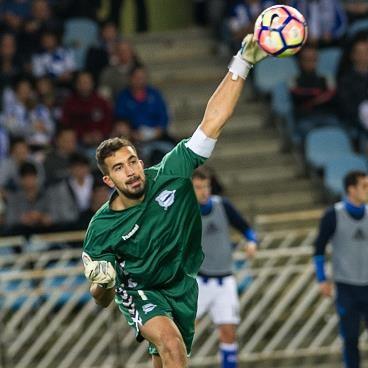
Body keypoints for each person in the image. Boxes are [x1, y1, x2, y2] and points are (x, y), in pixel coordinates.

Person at [81, 33, 267, 368]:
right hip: (140, 289)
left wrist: (243, 62)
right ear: (109, 180)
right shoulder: (102, 227)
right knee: (170, 343)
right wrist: (103, 283)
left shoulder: (171, 172)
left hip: (181, 283)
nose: (131, 172)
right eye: (119, 169)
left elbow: (213, 121)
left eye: (133, 161)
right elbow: (101, 298)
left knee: (166, 357)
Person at [192, 167, 257, 368]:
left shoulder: (223, 205)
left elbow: (246, 228)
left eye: (206, 186)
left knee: (228, 332)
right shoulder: (185, 213)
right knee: (182, 332)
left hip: (225, 279)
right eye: (199, 187)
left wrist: (252, 242)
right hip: (199, 280)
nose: (204, 191)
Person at [313, 170, 368, 368]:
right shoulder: (333, 215)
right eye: (364, 186)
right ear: (351, 189)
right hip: (346, 288)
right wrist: (321, 279)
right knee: (350, 339)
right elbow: (318, 249)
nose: (367, 190)